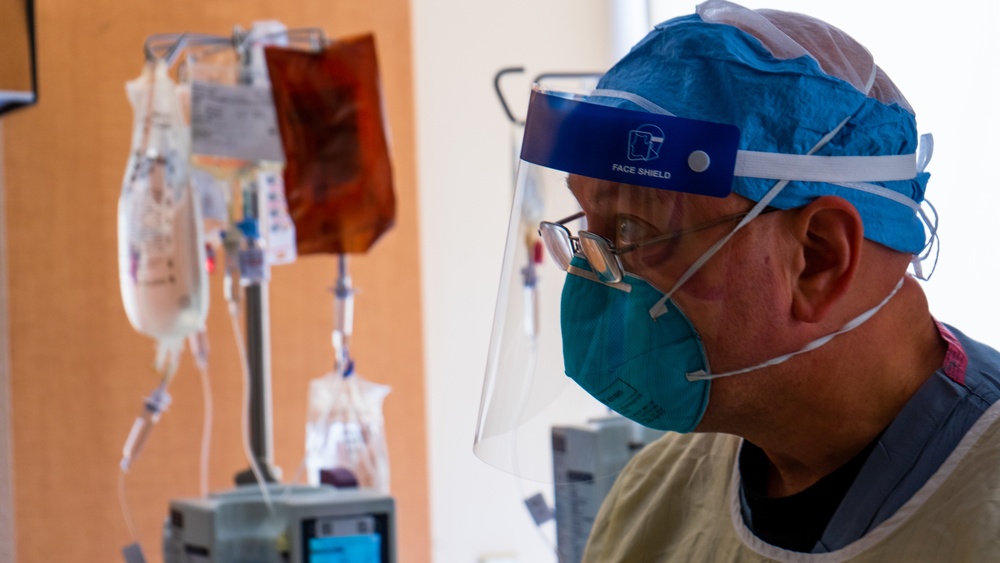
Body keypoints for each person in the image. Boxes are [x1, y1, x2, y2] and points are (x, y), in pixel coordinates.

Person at [476, 0, 1000, 560]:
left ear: (818, 258)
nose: (593, 276)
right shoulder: (652, 501)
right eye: (586, 227)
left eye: (632, 229)